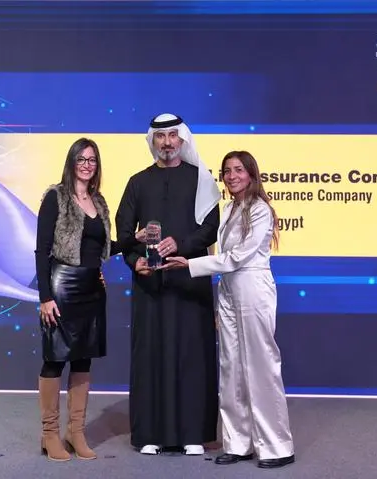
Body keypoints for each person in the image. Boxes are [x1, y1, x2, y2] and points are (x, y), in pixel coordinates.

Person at [161, 150, 295, 469]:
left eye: (238, 170)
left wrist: (191, 263)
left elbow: (238, 257)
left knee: (260, 366)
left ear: (251, 174)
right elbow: (227, 258)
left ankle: (276, 446)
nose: (232, 176)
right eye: (227, 171)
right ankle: (238, 443)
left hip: (253, 288)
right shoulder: (230, 208)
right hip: (229, 290)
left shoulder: (260, 210)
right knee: (231, 367)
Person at [114, 113, 221, 456]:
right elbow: (124, 232)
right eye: (160, 137)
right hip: (151, 287)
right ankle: (150, 433)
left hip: (190, 284)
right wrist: (135, 261)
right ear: (153, 141)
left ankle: (193, 433)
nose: (167, 143)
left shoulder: (201, 180)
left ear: (182, 140)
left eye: (173, 136)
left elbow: (210, 228)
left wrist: (181, 245)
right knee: (151, 355)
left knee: (192, 355)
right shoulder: (137, 183)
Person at [34, 137, 145, 462]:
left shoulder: (99, 201)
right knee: (55, 359)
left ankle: (76, 431)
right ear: (71, 162)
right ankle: (50, 434)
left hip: (92, 289)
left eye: (92, 160)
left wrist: (133, 240)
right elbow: (42, 250)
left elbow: (102, 248)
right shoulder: (55, 197)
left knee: (83, 359)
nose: (87, 165)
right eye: (81, 159)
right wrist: (45, 297)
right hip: (62, 288)